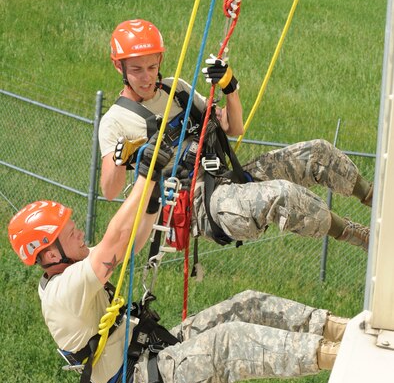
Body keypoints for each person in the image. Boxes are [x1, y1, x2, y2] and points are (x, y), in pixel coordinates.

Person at [8, 180, 349, 383]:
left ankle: (340, 330)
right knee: (228, 340)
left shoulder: (71, 270)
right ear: (51, 254)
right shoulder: (63, 292)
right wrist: (145, 176)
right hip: (142, 382)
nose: (80, 233)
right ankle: (339, 355)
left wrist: (152, 199)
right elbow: (114, 239)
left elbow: (133, 240)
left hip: (150, 351)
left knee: (245, 305)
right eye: (70, 234)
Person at [98, 17, 372, 252]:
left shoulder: (176, 90)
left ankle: (374, 198)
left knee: (317, 153)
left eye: (152, 67)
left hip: (227, 178)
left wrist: (231, 89)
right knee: (284, 195)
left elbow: (233, 128)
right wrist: (121, 160)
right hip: (200, 208)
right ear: (118, 67)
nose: (146, 77)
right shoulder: (116, 121)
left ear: (159, 61)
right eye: (136, 70)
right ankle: (361, 237)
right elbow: (109, 191)